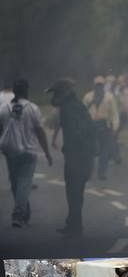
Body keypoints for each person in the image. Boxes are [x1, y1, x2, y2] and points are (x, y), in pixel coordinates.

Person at [0, 79, 52, 228]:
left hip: (10, 152)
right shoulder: (33, 108)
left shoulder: (4, 108)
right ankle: (18, 215)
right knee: (24, 183)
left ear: (14, 92)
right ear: (26, 91)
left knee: (16, 184)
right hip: (29, 152)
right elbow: (40, 131)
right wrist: (47, 152)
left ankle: (23, 213)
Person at [46, 79, 94, 236]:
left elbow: (76, 132)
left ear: (62, 93)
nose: (53, 98)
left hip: (77, 156)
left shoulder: (69, 107)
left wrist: (70, 149)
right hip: (83, 155)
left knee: (73, 191)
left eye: (56, 93)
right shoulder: (76, 105)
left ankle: (75, 225)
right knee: (76, 191)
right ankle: (74, 223)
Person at [83, 76, 119, 180]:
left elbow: (114, 113)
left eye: (100, 85)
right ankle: (88, 172)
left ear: (103, 86)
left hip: (104, 126)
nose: (99, 87)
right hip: (91, 126)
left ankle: (102, 172)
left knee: (105, 151)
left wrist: (115, 127)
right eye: (97, 85)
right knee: (90, 151)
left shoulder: (109, 97)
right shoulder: (88, 97)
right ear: (94, 86)